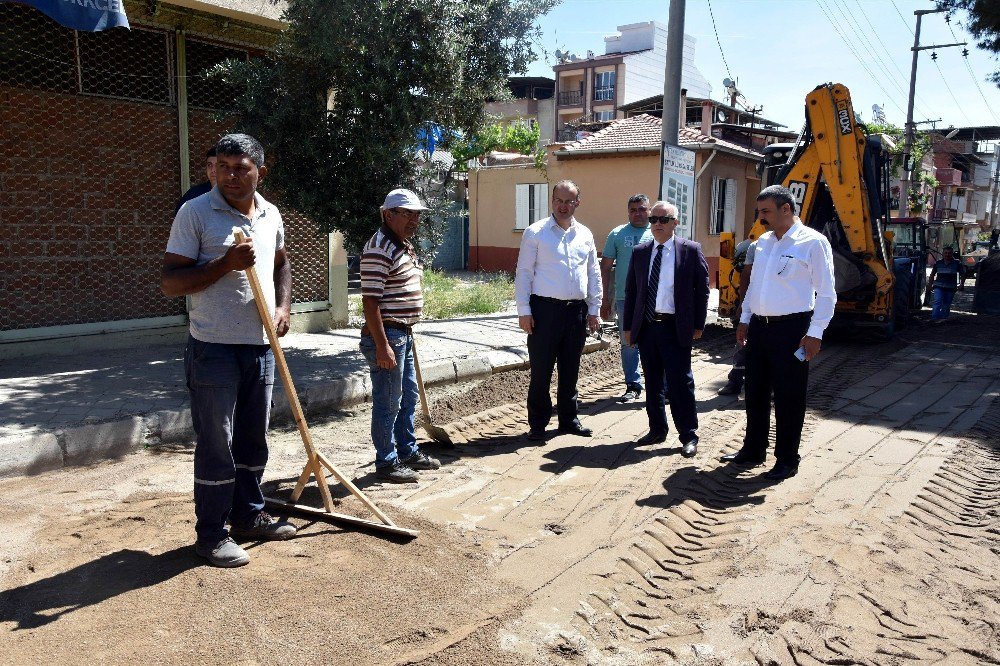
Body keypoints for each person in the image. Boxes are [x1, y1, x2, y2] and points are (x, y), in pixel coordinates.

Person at [162, 133, 296, 568]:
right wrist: (224, 265)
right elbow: (171, 283)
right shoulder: (195, 212)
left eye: (241, 168)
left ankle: (248, 516)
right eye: (223, 167)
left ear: (261, 170)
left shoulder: (271, 213)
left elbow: (280, 262)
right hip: (213, 348)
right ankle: (211, 534)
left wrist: (283, 306)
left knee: (253, 440)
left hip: (259, 346)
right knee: (218, 443)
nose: (231, 176)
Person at [725, 185, 836, 481]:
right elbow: (755, 286)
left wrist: (815, 334)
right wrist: (745, 319)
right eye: (759, 212)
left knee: (789, 396)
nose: (761, 218)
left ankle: (787, 459)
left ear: (786, 209)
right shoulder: (762, 242)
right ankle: (753, 449)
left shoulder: (812, 242)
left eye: (766, 212)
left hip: (793, 329)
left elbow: (826, 293)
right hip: (761, 328)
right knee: (755, 391)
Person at [359, 189, 442, 483]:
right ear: (388, 214)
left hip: (402, 333)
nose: (414, 220)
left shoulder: (401, 245)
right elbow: (370, 302)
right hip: (388, 334)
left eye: (417, 214)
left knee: (407, 397)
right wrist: (383, 346)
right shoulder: (379, 246)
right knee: (388, 401)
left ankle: (407, 451)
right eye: (407, 213)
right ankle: (387, 462)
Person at [516, 180, 602, 442]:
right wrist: (524, 311)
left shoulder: (585, 234)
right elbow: (524, 273)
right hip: (544, 311)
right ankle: (538, 424)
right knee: (541, 371)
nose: (563, 207)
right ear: (552, 201)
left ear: (577, 202)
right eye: (558, 201)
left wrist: (594, 309)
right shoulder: (535, 232)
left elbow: (593, 272)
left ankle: (568, 419)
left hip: (575, 312)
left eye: (569, 201)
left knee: (571, 369)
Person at [622, 200, 709, 457]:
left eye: (663, 219)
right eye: (653, 219)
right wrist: (629, 327)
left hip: (675, 327)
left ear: (675, 222)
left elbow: (701, 290)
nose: (657, 224)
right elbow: (631, 291)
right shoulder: (640, 251)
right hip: (648, 327)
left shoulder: (690, 250)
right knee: (652, 382)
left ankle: (688, 435)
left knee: (681, 382)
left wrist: (698, 324)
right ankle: (657, 430)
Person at [600, 194, 654, 403]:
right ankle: (633, 385)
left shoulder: (658, 232)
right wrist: (606, 301)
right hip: (626, 299)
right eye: (633, 210)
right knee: (629, 343)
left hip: (655, 300)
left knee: (656, 343)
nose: (638, 213)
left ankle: (662, 386)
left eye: (642, 209)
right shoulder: (617, 234)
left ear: (649, 210)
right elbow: (605, 268)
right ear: (628, 212)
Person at [718, 217, 769, 396]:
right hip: (754, 306)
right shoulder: (754, 247)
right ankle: (735, 382)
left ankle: (768, 386)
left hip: (778, 311)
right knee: (742, 345)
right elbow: (746, 277)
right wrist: (742, 304)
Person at [175, 147, 218, 214]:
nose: (213, 170)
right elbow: (179, 217)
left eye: (217, 165)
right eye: (210, 165)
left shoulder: (235, 194)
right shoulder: (194, 194)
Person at [927, 246, 965, 321]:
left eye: (949, 253)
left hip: (950, 287)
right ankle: (934, 319)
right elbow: (932, 275)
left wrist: (961, 284)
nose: (947, 255)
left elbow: (963, 274)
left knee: (946, 304)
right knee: (937, 301)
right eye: (945, 253)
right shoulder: (938, 263)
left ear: (952, 254)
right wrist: (930, 284)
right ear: (943, 254)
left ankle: (943, 319)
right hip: (938, 286)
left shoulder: (957, 263)